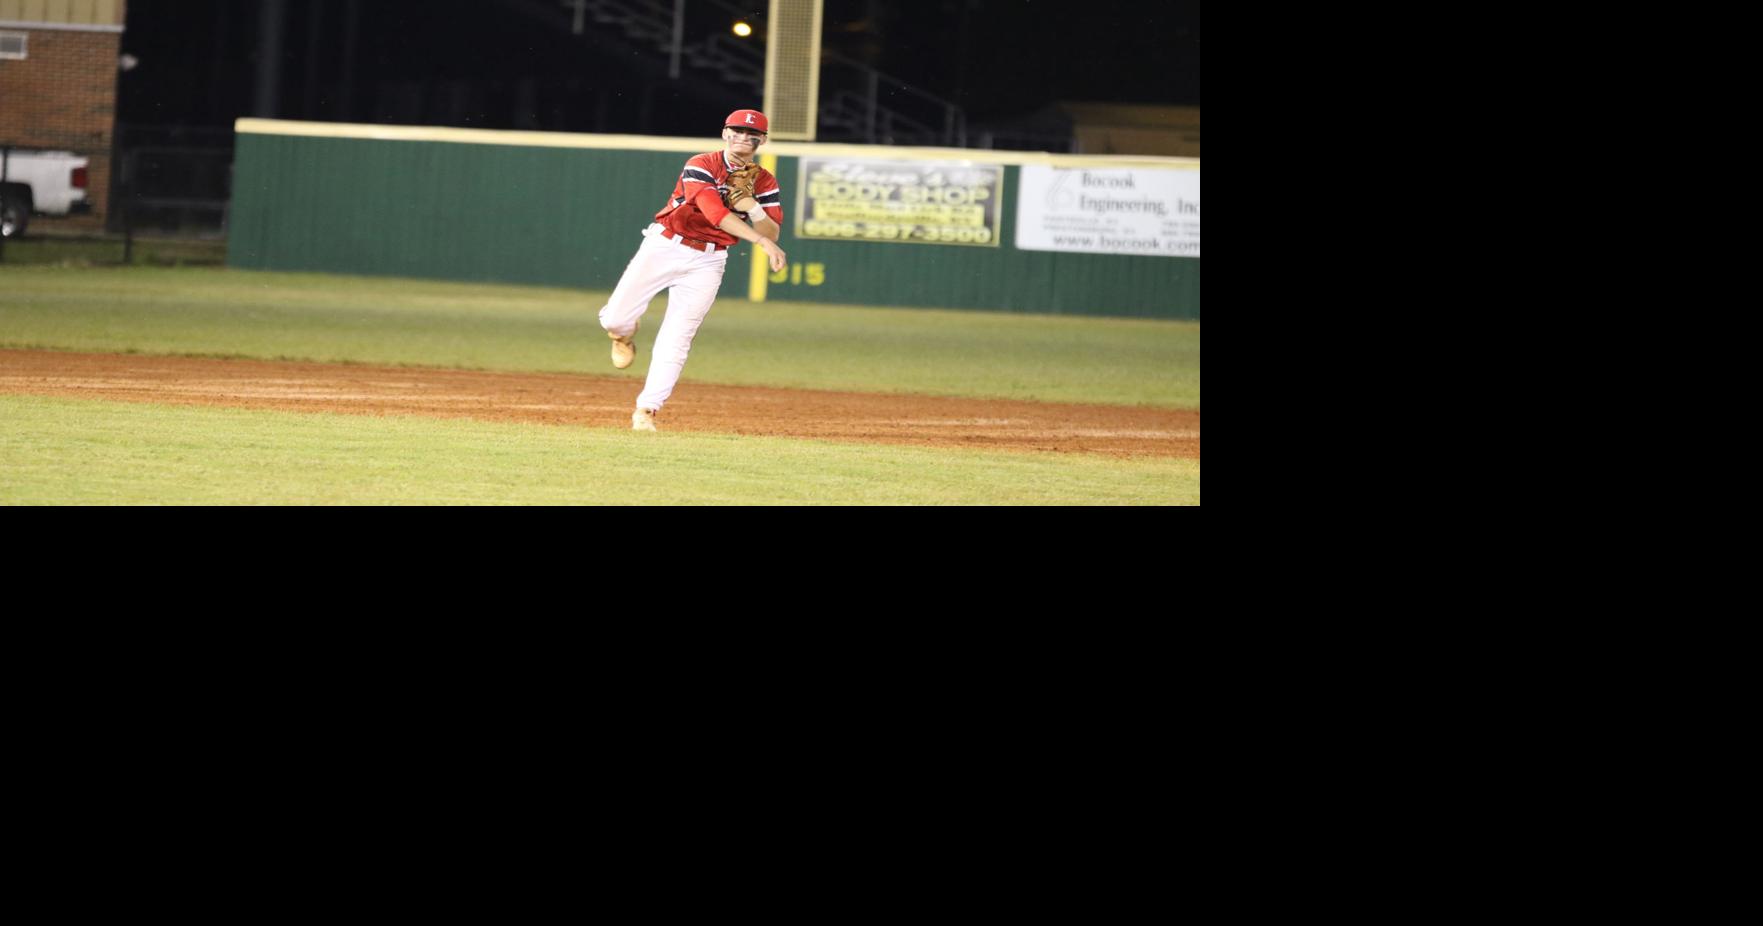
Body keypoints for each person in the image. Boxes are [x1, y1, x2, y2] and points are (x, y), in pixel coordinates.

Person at [598, 108, 788, 431]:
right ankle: (622, 334)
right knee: (614, 316)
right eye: (737, 130)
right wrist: (759, 240)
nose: (744, 137)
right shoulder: (700, 164)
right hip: (666, 245)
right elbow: (715, 214)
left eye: (751, 133)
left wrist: (753, 207)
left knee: (678, 336)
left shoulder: (764, 181)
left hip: (709, 261)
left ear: (762, 140)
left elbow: (773, 233)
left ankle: (646, 410)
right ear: (725, 133)